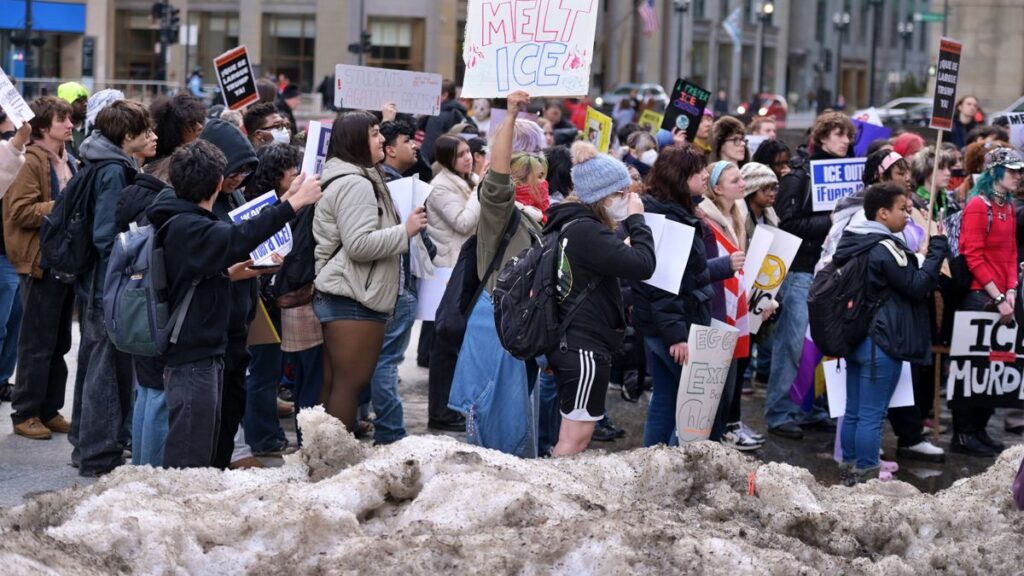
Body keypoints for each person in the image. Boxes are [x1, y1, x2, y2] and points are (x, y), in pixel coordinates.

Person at [145, 140, 320, 468]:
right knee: (190, 452)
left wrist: (229, 275)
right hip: (193, 352)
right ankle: (184, 509)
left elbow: (204, 266)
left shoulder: (184, 217)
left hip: (204, 349)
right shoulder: (187, 225)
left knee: (209, 440)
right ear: (216, 184)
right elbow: (237, 239)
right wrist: (291, 206)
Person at [313, 110, 427, 434]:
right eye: (375, 133)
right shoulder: (355, 183)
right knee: (349, 384)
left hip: (347, 293)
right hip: (353, 295)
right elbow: (359, 245)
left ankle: (324, 457)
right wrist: (405, 231)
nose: (382, 139)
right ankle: (334, 458)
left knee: (338, 383)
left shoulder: (355, 176)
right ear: (356, 141)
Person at [541, 141, 655, 456]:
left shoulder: (571, 223)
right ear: (602, 196)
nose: (628, 200)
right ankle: (554, 495)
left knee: (569, 433)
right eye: (622, 194)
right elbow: (644, 266)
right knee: (575, 439)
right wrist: (637, 220)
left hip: (574, 341)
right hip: (584, 347)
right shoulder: (587, 232)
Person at [448, 90, 544, 456]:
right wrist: (512, 113)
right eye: (531, 171)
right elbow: (499, 173)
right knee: (497, 425)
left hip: (519, 325)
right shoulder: (498, 210)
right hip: (496, 323)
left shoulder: (533, 218)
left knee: (518, 421)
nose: (539, 178)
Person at [834, 183, 948, 485]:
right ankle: (868, 477)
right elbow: (917, 285)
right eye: (902, 209)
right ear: (882, 213)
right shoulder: (884, 246)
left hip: (857, 339)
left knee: (855, 412)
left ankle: (848, 472)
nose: (908, 216)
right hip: (880, 342)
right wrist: (937, 251)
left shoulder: (853, 239)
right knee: (871, 415)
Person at [70, 100, 152, 477]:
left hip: (96, 281)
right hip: (107, 282)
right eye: (144, 131)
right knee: (104, 367)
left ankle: (86, 445)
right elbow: (107, 234)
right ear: (127, 137)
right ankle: (98, 454)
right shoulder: (114, 170)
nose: (151, 136)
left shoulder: (99, 159)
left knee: (94, 362)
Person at [632, 145, 728, 447]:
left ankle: (652, 469)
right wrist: (677, 337)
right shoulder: (669, 219)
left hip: (664, 323)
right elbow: (663, 285)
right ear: (678, 177)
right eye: (697, 170)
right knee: (695, 408)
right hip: (675, 327)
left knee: (666, 397)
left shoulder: (671, 210)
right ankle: (678, 469)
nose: (705, 174)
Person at [768, 111, 854, 439]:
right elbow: (786, 224)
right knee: (791, 344)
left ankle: (810, 406)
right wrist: (831, 220)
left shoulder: (848, 175)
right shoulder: (800, 176)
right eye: (838, 134)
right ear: (822, 138)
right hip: (803, 270)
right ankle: (778, 411)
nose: (845, 141)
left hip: (832, 272)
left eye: (847, 135)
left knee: (821, 344)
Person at [5, 97, 77, 440]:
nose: (70, 124)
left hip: (64, 261)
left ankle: (49, 409)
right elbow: (20, 211)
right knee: (36, 341)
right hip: (38, 262)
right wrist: (66, 204)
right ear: (44, 127)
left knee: (60, 340)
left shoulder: (69, 160)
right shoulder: (30, 160)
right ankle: (25, 412)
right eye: (63, 119)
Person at [198, 119, 264, 468]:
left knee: (235, 397)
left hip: (240, 315)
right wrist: (231, 272)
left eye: (245, 172)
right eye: (234, 171)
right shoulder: (200, 199)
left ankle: (226, 460)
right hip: (213, 318)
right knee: (214, 404)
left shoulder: (235, 195)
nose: (239, 179)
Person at [952, 146, 1022, 457]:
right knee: (974, 368)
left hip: (1001, 298)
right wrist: (997, 294)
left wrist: (1011, 292)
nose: (1019, 176)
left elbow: (1010, 254)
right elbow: (972, 256)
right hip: (979, 298)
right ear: (995, 172)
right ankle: (964, 434)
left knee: (997, 366)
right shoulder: (978, 207)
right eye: (1013, 170)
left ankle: (979, 429)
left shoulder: (1007, 206)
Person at [0, 119, 30, 405]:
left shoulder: (18, 145)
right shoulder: (11, 147)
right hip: (4, 251)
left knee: (13, 323)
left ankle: (2, 380)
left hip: (12, 251)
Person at [146, 93, 207, 180]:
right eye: (191, 123)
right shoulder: (158, 169)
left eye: (199, 120)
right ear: (173, 128)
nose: (199, 127)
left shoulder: (199, 156)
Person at [420, 80, 473, 164]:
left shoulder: (437, 118)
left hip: (442, 168)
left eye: (433, 95)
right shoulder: (466, 116)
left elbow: (428, 152)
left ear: (444, 95)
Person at [57, 82, 89, 158]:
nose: (85, 104)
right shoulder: (57, 130)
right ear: (66, 104)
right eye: (79, 101)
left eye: (85, 100)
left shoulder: (91, 128)